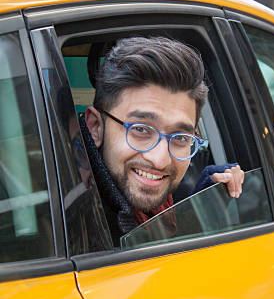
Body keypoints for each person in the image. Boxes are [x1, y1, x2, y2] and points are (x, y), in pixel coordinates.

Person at [80, 36, 244, 245]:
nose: (160, 160)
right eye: (140, 129)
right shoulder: (78, 228)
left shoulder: (155, 208)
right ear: (95, 127)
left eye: (181, 137)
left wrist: (207, 197)